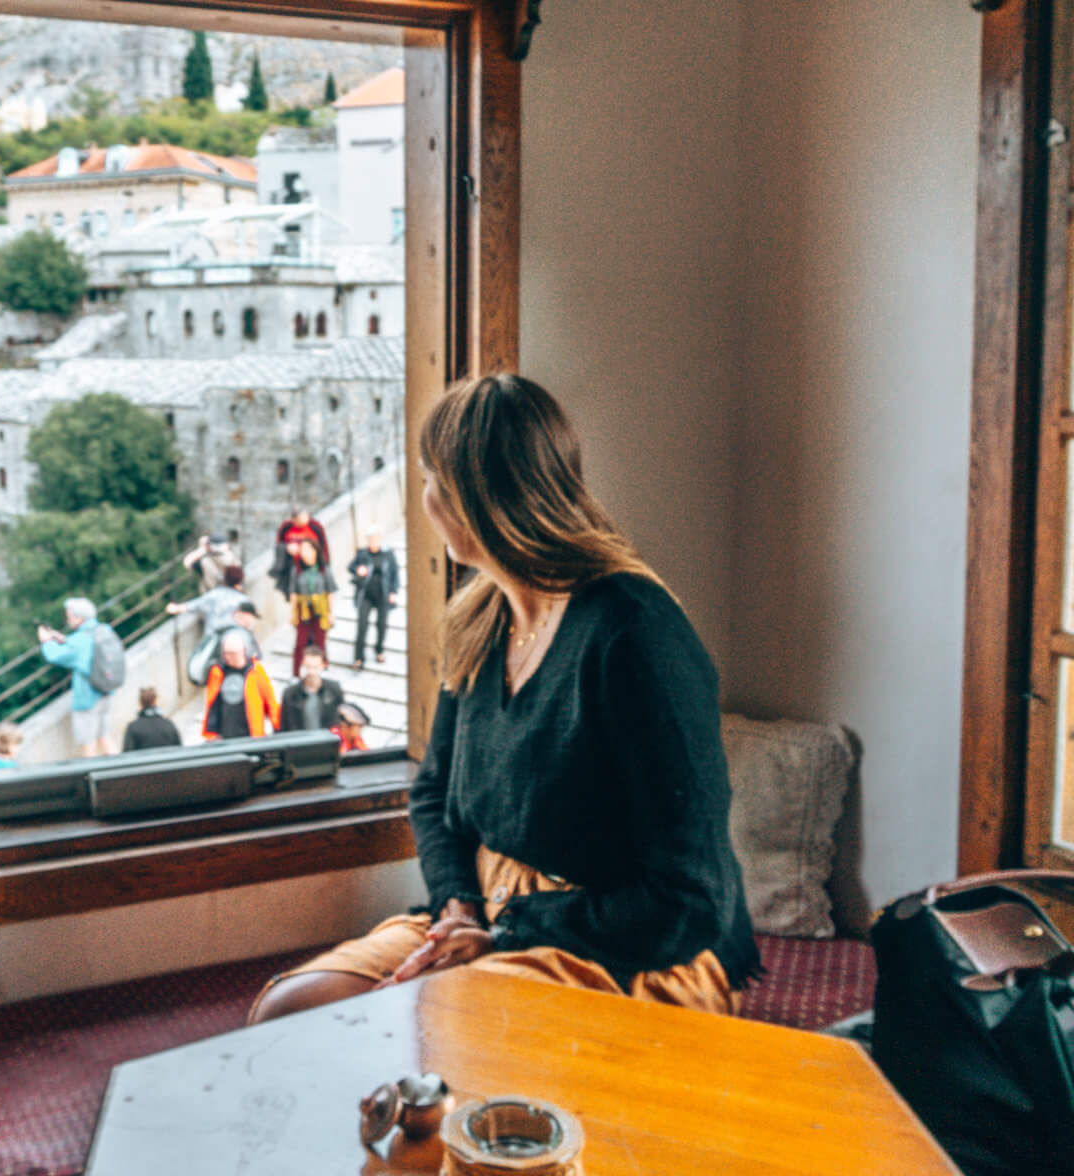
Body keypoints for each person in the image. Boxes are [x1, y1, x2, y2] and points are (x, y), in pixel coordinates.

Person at [250, 372, 758, 1025]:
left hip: (630, 945)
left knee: (429, 1021)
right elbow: (434, 792)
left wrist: (508, 932)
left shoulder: (636, 634)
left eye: (434, 479)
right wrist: (458, 906)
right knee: (291, 1010)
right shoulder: (481, 620)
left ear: (475, 501)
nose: (426, 498)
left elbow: (689, 901)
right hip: (493, 912)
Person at [38, 597, 118, 757]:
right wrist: (63, 639)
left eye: (69, 617)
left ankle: (91, 779)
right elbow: (82, 647)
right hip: (106, 691)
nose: (67, 620)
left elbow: (55, 656)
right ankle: (124, 773)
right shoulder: (105, 629)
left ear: (79, 618)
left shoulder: (79, 641)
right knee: (105, 737)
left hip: (88, 698)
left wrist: (46, 641)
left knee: (89, 746)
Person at [167, 562, 261, 683]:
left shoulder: (214, 595)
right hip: (236, 645)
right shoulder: (244, 601)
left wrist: (175, 607)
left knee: (217, 677)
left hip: (214, 645)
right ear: (239, 583)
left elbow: (192, 606)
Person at [202, 630, 279, 740]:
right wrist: (211, 733)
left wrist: (278, 727)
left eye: (233, 653)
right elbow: (212, 703)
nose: (228, 657)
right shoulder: (218, 672)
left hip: (252, 735)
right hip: (225, 736)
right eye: (226, 653)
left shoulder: (256, 670)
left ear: (243, 651)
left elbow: (270, 701)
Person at [348, 529, 398, 668]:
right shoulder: (363, 553)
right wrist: (358, 569)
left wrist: (393, 592)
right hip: (366, 595)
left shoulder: (388, 554)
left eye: (375, 538)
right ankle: (359, 657)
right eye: (370, 539)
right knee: (362, 625)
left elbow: (394, 574)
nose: (373, 542)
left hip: (383, 593)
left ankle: (379, 651)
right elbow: (351, 567)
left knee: (382, 624)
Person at [290, 537, 334, 673]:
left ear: (315, 551)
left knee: (320, 640)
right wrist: (293, 612)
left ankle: (321, 668)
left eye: (307, 549)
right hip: (303, 608)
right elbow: (293, 592)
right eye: (302, 550)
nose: (304, 553)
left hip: (320, 607)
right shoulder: (297, 570)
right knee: (300, 642)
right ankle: (296, 672)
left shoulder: (324, 569)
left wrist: (331, 612)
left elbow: (330, 591)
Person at [278, 646, 344, 734]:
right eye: (308, 667)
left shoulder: (334, 690)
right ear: (303, 665)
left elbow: (342, 720)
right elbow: (284, 726)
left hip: (326, 743)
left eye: (315, 667)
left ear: (323, 666)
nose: (311, 672)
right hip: (300, 744)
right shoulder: (290, 694)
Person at [273, 505, 330, 600]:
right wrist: (287, 547)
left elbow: (323, 546)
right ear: (293, 519)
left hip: (312, 566)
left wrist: (324, 564)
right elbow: (279, 545)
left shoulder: (315, 526)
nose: (303, 520)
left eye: (304, 516)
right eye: (299, 518)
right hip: (293, 566)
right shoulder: (286, 527)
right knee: (294, 593)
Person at [123, 684, 182, 752]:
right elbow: (179, 749)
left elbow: (127, 754)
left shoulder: (133, 727)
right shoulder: (168, 724)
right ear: (155, 701)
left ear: (140, 704)